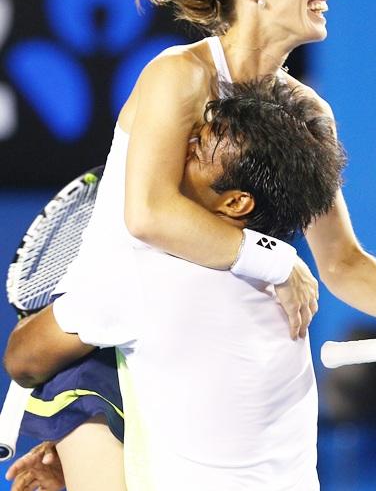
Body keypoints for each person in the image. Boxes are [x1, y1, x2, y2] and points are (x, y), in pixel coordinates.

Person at [6, 0, 376, 489]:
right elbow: (148, 212)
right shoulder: (178, 75)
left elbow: (342, 261)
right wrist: (275, 259)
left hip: (215, 360)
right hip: (112, 347)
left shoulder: (310, 114)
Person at [6, 77, 347, 490]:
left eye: (196, 150)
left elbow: (23, 360)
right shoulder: (278, 287)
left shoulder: (147, 277)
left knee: (75, 370)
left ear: (236, 202)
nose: (172, 148)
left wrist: (81, 450)